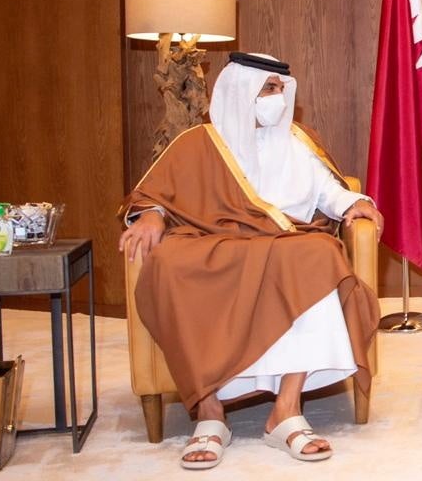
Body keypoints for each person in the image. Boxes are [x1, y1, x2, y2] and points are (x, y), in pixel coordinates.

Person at [118, 52, 383, 469]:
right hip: (213, 241)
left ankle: (287, 410)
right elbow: (156, 195)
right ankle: (209, 414)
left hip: (283, 242)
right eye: (269, 90)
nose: (277, 99)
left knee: (319, 254)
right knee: (169, 264)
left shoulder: (298, 141)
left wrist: (355, 203)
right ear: (241, 93)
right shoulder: (199, 142)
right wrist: (151, 215)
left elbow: (329, 191)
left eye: (281, 90)